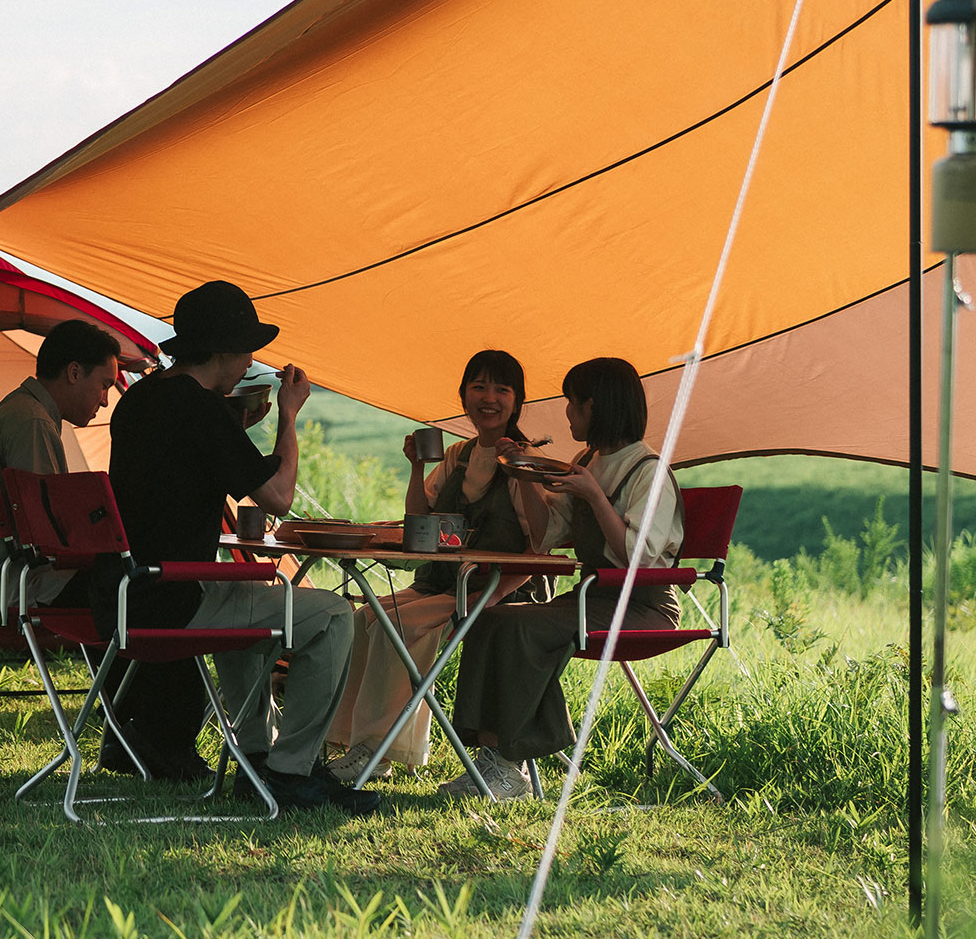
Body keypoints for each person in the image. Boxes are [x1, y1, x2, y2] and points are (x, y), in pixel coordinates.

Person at [97, 280, 377, 814]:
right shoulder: (200, 409)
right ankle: (290, 771)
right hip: (174, 598)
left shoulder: (140, 399)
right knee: (333, 615)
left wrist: (234, 426)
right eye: (247, 349)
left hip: (124, 594)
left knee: (246, 602)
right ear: (224, 351)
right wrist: (289, 415)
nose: (251, 361)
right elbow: (278, 496)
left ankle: (253, 760)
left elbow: (183, 462)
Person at [444, 356, 683, 800]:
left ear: (596, 406)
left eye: (573, 402)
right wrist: (523, 475)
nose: (568, 412)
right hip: (595, 596)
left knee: (522, 627)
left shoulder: (647, 470)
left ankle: (510, 767)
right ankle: (493, 758)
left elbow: (639, 557)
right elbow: (546, 536)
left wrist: (595, 496)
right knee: (488, 618)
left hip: (642, 606)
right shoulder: (588, 459)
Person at [326, 349, 545, 783]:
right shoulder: (458, 455)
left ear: (517, 402)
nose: (489, 398)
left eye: (501, 389)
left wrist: (492, 595)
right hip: (441, 584)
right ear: (463, 397)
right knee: (365, 618)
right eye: (479, 387)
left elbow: (539, 548)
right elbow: (419, 524)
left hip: (498, 588)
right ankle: (355, 743)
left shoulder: (524, 460)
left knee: (398, 626)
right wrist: (416, 467)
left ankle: (377, 749)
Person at [0, 319, 121, 632]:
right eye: (104, 384)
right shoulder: (32, 422)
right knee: (128, 588)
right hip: (6, 585)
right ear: (74, 372)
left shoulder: (15, 410)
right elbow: (49, 533)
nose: (105, 400)